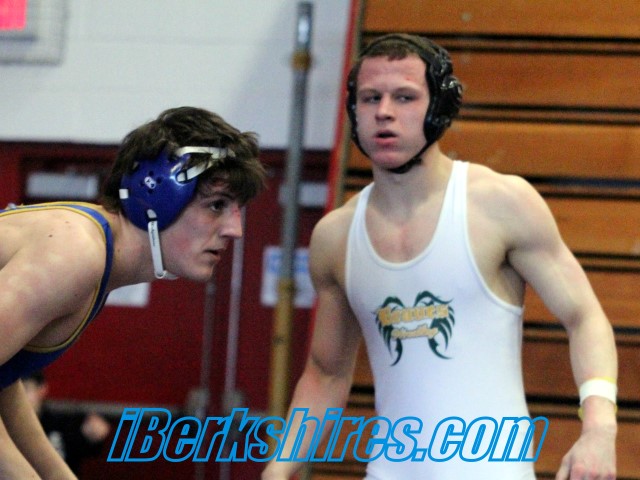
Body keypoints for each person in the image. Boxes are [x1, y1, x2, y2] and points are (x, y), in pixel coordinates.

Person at [262, 34, 617, 480]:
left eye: (404, 97)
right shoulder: (336, 237)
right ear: (354, 111)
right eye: (370, 98)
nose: (384, 111)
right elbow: (325, 374)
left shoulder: (498, 204)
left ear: (439, 108)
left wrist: (600, 429)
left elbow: (584, 317)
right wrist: (278, 470)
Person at [0, 106, 266, 479]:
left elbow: (4, 380)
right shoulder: (75, 253)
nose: (234, 230)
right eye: (216, 206)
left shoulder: (93, 256)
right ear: (156, 194)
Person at [22, 371, 111, 477]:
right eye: (13, 392)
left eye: (26, 388)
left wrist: (93, 435)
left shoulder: (63, 423)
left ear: (41, 389)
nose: (19, 397)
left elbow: (88, 448)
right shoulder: (6, 429)